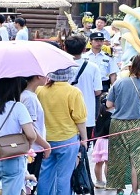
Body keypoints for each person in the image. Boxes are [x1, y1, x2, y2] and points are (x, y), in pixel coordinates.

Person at [105, 55, 140, 195]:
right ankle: (134, 191)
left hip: (118, 124)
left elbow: (109, 104)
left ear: (129, 67)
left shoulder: (119, 83)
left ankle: (119, 190)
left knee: (118, 157)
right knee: (137, 159)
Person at [36, 66, 88, 195]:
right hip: (67, 139)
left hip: (45, 140)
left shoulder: (40, 90)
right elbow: (80, 119)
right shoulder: (73, 92)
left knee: (45, 174)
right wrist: (84, 139)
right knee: (64, 176)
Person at [65, 35, 102, 140]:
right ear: (84, 49)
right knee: (84, 144)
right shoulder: (93, 67)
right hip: (86, 113)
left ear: (65, 48)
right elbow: (98, 91)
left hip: (65, 113)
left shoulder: (61, 66)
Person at [20, 75, 51, 181]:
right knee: (30, 184)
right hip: (33, 149)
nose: (48, 77)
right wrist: (46, 145)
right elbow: (30, 129)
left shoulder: (28, 95)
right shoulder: (29, 98)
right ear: (38, 76)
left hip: (32, 147)